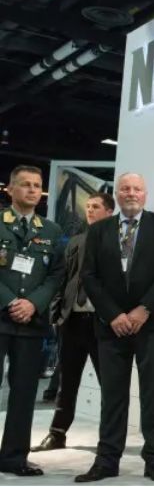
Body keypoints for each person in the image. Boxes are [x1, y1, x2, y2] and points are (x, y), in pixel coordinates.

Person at [75, 173, 154, 483]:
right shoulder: (99, 230)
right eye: (125, 189)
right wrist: (113, 315)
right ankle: (107, 460)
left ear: (145, 194)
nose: (131, 193)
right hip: (112, 327)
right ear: (118, 195)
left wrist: (143, 309)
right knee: (113, 396)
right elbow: (89, 275)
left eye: (137, 189)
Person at [33, 192, 115, 452]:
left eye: (96, 206)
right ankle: (57, 434)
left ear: (109, 212)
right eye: (88, 206)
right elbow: (62, 278)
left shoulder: (118, 243)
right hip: (72, 321)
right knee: (67, 383)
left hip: (102, 323)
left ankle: (110, 439)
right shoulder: (76, 241)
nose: (89, 210)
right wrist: (57, 313)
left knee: (110, 385)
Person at [0, 165, 65, 476]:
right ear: (10, 189)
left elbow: (56, 275)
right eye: (25, 184)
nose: (32, 190)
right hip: (1, 315)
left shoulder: (50, 230)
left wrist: (33, 303)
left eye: (37, 185)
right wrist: (11, 301)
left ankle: (13, 458)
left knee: (25, 393)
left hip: (31, 322)